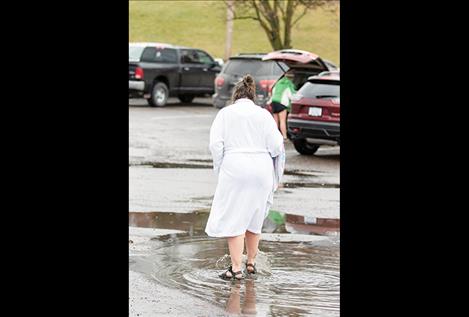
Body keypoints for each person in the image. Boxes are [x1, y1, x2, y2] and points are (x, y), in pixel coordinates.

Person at [205, 74, 284, 280]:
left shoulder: (225, 114)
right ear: (253, 96)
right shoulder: (264, 115)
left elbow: (215, 145)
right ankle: (251, 263)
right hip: (261, 169)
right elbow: (277, 145)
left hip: (235, 167)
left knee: (235, 219)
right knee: (254, 218)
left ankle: (236, 268)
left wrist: (220, 167)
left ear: (235, 95)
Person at [270, 70, 296, 139]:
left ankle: (274, 136)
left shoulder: (278, 83)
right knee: (282, 121)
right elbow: (291, 95)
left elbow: (273, 91)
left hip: (273, 101)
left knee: (276, 121)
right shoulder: (288, 84)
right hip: (281, 103)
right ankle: (284, 136)